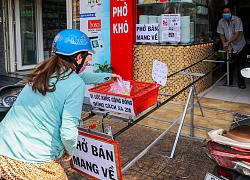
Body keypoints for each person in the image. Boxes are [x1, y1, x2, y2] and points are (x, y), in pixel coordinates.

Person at [0, 29, 118, 179]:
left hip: (3, 147)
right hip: (29, 160)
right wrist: (70, 150)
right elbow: (68, 133)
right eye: (87, 54)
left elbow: (80, 76)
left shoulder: (44, 71)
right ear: (78, 57)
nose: (89, 58)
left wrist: (108, 77)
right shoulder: (75, 84)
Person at [217, 3, 249, 89]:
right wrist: (224, 43)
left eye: (227, 12)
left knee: (241, 64)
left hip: (240, 45)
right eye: (224, 12)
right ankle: (229, 80)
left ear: (231, 12)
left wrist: (228, 42)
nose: (226, 14)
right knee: (228, 63)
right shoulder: (221, 21)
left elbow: (237, 33)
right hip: (229, 46)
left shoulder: (237, 20)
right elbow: (221, 34)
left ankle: (241, 82)